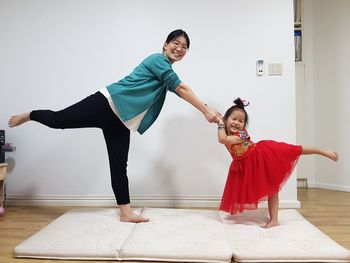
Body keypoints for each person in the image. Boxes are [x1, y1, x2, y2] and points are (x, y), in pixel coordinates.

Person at [8, 29, 220, 223]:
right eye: (175, 43)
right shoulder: (157, 60)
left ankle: (125, 212)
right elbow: (182, 88)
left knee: (119, 165)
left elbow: (181, 90)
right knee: (60, 120)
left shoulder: (165, 75)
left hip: (122, 121)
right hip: (106, 104)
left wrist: (207, 108)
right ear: (165, 44)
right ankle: (30, 114)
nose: (179, 49)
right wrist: (204, 110)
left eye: (184, 47)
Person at [216, 98, 338, 228]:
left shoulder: (241, 135)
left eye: (241, 121)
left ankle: (322, 151)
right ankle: (274, 220)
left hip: (262, 158)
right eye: (234, 119)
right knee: (271, 189)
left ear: (244, 125)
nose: (237, 123)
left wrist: (220, 123)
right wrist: (216, 117)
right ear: (226, 119)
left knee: (293, 152)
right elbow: (219, 124)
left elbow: (222, 139)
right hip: (247, 166)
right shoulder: (225, 128)